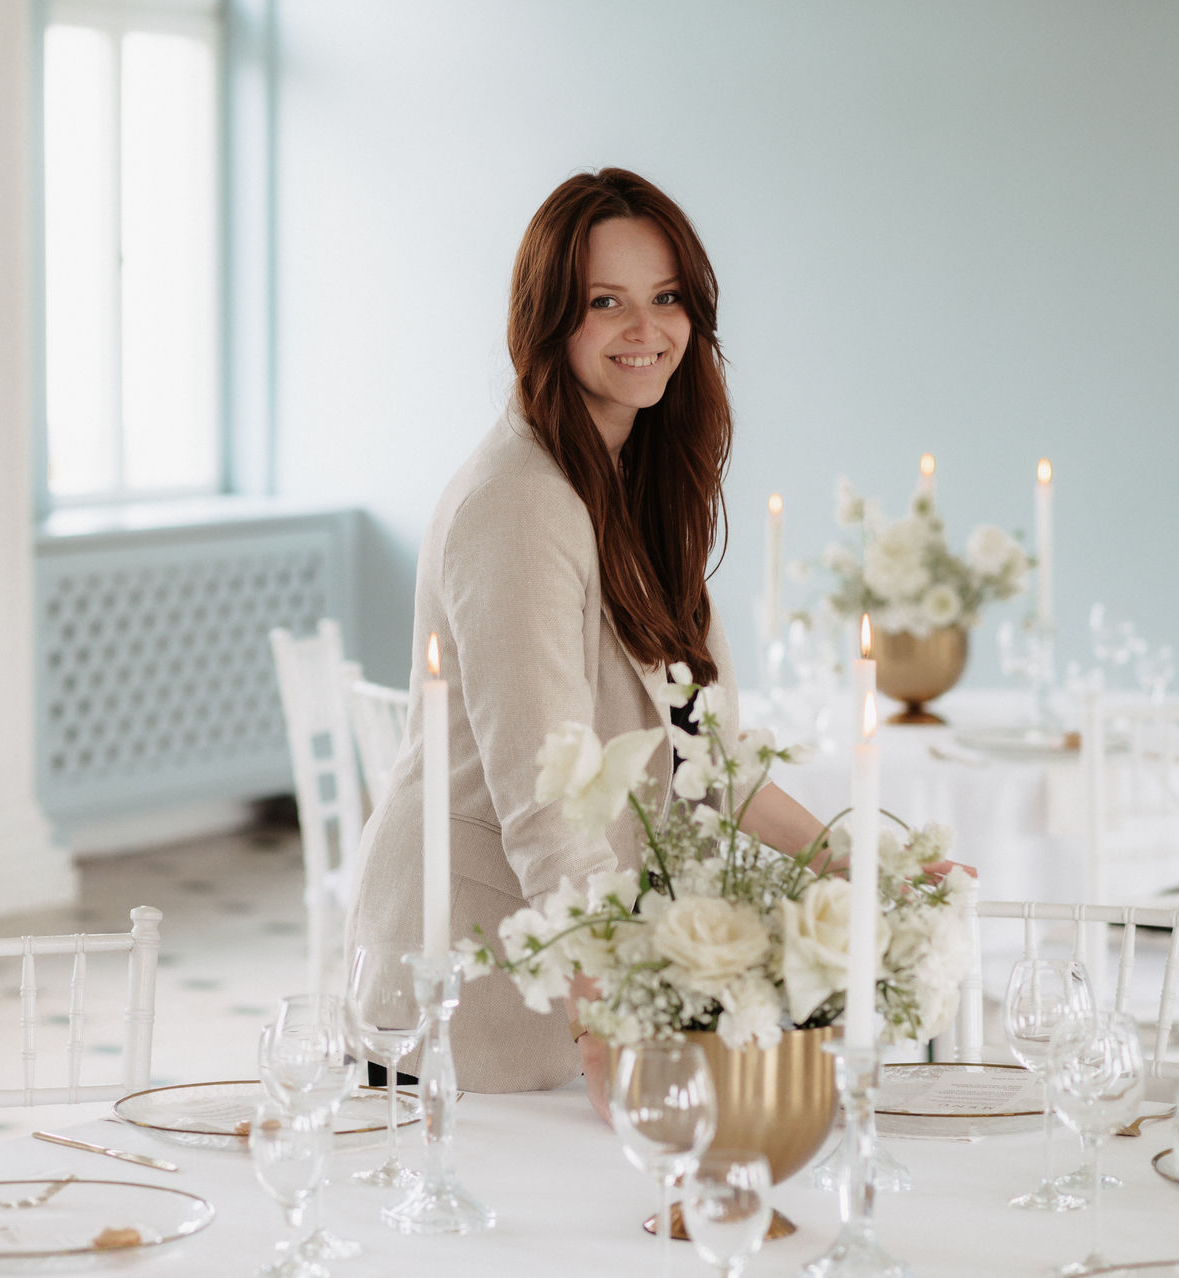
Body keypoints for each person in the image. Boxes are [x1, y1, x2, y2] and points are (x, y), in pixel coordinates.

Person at [347, 168, 838, 1115]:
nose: (644, 329)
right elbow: (547, 790)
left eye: (665, 299)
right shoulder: (520, 502)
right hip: (476, 976)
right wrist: (608, 1004)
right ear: (548, 322)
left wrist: (849, 861)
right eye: (604, 303)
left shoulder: (629, 484)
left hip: (572, 973)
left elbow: (709, 760)